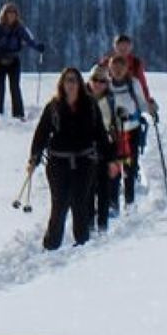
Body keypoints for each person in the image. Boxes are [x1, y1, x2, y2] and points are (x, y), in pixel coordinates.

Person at [26, 68, 116, 250]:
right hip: (58, 163)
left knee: (79, 203)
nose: (71, 84)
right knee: (59, 204)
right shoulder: (53, 106)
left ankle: (82, 244)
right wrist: (34, 158)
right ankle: (51, 245)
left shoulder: (90, 105)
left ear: (80, 83)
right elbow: (41, 133)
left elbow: (100, 134)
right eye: (67, 80)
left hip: (84, 162)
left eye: (74, 80)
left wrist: (111, 159)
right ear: (62, 83)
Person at [103, 52, 151, 206]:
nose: (117, 70)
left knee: (129, 167)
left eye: (121, 67)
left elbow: (142, 103)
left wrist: (151, 109)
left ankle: (129, 201)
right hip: (113, 133)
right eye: (114, 67)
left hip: (131, 131)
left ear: (126, 68)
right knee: (114, 168)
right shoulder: (105, 84)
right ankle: (113, 202)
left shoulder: (133, 83)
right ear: (109, 68)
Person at [0, 2, 45, 120]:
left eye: (13, 13)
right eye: (9, 13)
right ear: (4, 14)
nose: (11, 16)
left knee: (15, 87)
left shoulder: (20, 28)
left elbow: (29, 40)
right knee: (0, 87)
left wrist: (38, 47)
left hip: (13, 60)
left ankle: (18, 114)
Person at [86, 64, 122, 229]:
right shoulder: (80, 97)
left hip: (106, 146)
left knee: (104, 185)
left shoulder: (112, 100)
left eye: (102, 81)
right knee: (87, 187)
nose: (98, 84)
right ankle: (87, 225)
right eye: (95, 80)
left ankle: (102, 225)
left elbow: (117, 125)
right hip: (84, 148)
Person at [99, 34, 161, 122]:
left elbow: (142, 86)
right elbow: (95, 83)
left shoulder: (135, 64)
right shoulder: (106, 62)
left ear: (130, 48)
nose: (123, 51)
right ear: (115, 47)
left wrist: (148, 104)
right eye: (121, 48)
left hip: (131, 106)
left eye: (126, 48)